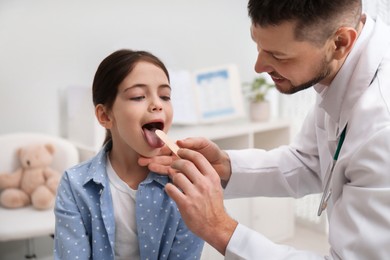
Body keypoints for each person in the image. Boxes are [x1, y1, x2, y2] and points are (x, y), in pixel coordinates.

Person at [139, 0, 390, 259]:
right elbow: (308, 161)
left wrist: (219, 228)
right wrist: (224, 165)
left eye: (279, 56)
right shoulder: (342, 66)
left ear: (339, 43)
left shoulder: (382, 126)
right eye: (258, 46)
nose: (258, 67)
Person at [54, 49, 204, 260]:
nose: (157, 104)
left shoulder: (185, 186)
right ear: (105, 115)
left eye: (165, 96)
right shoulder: (75, 184)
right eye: (138, 96)